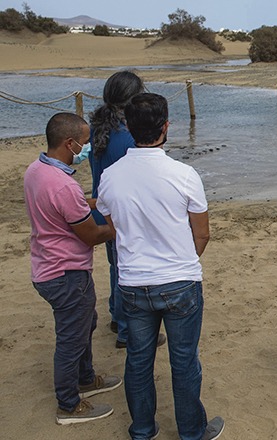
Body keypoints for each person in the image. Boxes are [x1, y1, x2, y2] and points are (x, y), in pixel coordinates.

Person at [96, 93, 224, 440]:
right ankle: (191, 431)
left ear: (128, 127)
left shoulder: (110, 175)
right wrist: (180, 261)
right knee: (183, 360)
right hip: (179, 280)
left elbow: (113, 225)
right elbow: (202, 233)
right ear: (166, 126)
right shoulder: (183, 174)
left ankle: (142, 429)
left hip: (134, 280)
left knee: (138, 359)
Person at [23, 112, 122, 425]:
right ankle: (68, 405)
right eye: (85, 142)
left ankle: (86, 377)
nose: (88, 147)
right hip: (65, 273)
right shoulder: (61, 186)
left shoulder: (36, 170)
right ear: (70, 143)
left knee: (85, 323)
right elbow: (92, 235)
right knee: (71, 339)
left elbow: (73, 204)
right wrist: (119, 224)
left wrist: (99, 201)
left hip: (47, 265)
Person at [89, 70, 168, 349]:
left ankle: (115, 314)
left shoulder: (99, 126)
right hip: (123, 212)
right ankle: (126, 330)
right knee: (125, 269)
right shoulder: (126, 138)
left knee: (116, 266)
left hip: (105, 208)